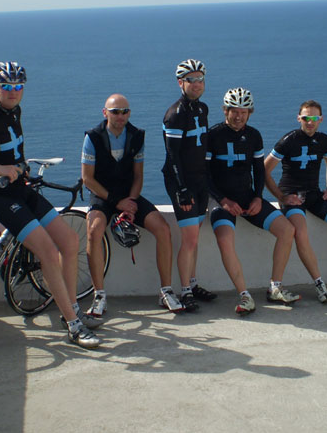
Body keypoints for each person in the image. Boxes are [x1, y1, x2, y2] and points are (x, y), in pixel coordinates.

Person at [0, 62, 99, 348]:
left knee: (69, 240)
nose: (13, 91)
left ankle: (73, 308)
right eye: (7, 86)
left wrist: (18, 167)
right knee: (49, 252)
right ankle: (73, 325)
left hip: (19, 188)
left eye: (18, 86)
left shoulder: (14, 111)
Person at [80, 93, 184, 322]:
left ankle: (166, 291)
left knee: (163, 229)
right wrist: (116, 202)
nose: (120, 116)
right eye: (115, 111)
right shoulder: (93, 137)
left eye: (125, 111)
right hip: (103, 194)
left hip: (129, 195)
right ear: (105, 113)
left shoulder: (137, 136)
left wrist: (131, 203)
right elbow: (87, 179)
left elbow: (138, 176)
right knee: (94, 231)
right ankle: (99, 295)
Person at [206, 88, 298, 315]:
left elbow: (259, 171)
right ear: (225, 111)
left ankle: (275, 287)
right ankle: (245, 296)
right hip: (219, 200)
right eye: (234, 111)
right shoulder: (212, 135)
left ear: (250, 113)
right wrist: (223, 201)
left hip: (248, 197)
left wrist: (258, 197)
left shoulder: (254, 136)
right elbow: (204, 175)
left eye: (244, 112)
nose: (239, 116)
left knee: (287, 230)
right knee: (225, 240)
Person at [264, 100, 327, 302]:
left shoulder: (324, 141)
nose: (310, 122)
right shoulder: (288, 141)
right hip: (292, 195)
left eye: (314, 118)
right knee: (301, 233)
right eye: (306, 118)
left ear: (321, 119)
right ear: (298, 118)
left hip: (314, 194)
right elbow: (265, 170)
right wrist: (281, 197)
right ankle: (318, 284)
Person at [162, 59, 217, 311]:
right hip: (180, 182)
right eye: (191, 80)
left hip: (199, 180)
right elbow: (172, 155)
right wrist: (182, 189)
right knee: (190, 238)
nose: (197, 84)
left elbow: (202, 146)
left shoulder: (202, 109)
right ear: (180, 83)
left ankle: (193, 284)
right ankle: (185, 291)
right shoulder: (175, 114)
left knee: (195, 237)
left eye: (200, 79)